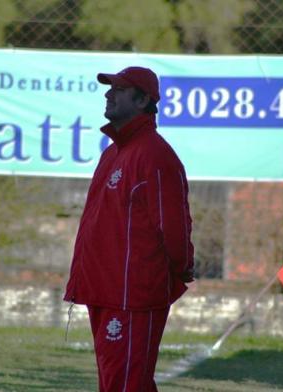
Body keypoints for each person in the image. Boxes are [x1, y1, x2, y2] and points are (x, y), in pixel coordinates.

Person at [64, 66, 194, 391]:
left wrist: (182, 266)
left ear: (142, 100)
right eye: (111, 89)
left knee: (124, 384)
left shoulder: (155, 156)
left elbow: (175, 226)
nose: (109, 94)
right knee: (120, 383)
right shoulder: (112, 154)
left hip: (132, 295)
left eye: (119, 89)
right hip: (104, 290)